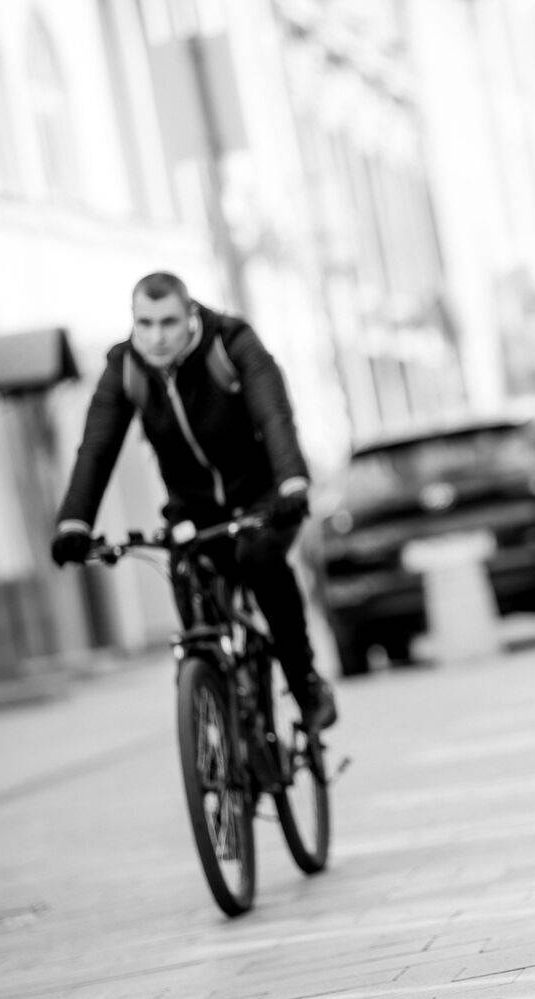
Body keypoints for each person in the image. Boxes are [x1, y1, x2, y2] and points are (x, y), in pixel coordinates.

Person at [50, 272, 337, 733]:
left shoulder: (231, 343)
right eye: (144, 323)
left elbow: (274, 415)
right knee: (189, 582)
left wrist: (292, 484)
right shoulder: (125, 368)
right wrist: (73, 523)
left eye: (168, 322)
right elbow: (97, 449)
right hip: (193, 510)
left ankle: (305, 683)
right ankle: (216, 717)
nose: (156, 337)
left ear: (190, 316)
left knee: (260, 560)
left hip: (263, 498)